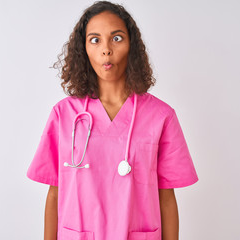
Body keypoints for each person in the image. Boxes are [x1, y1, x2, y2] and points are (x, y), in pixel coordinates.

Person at [26, 1, 199, 239]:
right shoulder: (64, 115)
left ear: (132, 46)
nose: (106, 49)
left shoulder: (161, 117)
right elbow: (54, 194)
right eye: (95, 40)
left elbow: (166, 199)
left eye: (116, 38)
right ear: (83, 49)